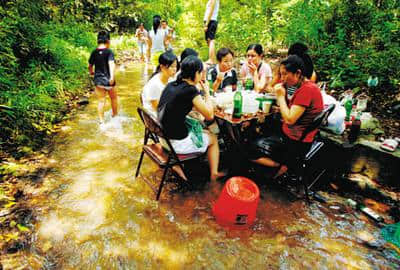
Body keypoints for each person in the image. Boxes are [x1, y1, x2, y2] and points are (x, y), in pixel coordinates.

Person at [248, 55, 323, 178]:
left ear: (298, 73)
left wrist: (280, 96)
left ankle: (284, 166)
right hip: (300, 135)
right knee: (262, 129)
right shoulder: (306, 85)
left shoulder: (307, 90)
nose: (282, 79)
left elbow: (289, 119)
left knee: (248, 149)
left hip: (295, 143)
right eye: (281, 74)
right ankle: (283, 164)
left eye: (285, 74)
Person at [157, 55, 225, 181]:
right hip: (176, 144)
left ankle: (180, 165)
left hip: (163, 138)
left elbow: (178, 105)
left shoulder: (171, 84)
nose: (201, 76)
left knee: (203, 131)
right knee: (213, 138)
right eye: (201, 72)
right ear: (195, 73)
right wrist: (207, 94)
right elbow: (209, 115)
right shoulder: (190, 90)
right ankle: (214, 173)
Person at [88, 30, 118, 124]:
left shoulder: (94, 52)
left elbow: (89, 65)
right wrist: (112, 77)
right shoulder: (109, 52)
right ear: (108, 41)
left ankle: (101, 121)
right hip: (109, 80)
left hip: (98, 80)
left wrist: (92, 72)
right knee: (113, 98)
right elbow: (111, 64)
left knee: (101, 101)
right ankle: (115, 116)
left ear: (98, 41)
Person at [141, 51, 178, 116]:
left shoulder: (170, 79)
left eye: (175, 66)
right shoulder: (154, 85)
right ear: (162, 67)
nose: (175, 69)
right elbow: (158, 109)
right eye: (172, 67)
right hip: (155, 117)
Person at [203, 0, 220, 64]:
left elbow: (211, 10)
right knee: (208, 40)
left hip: (211, 21)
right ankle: (212, 58)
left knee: (211, 40)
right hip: (210, 21)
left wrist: (206, 23)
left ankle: (211, 60)